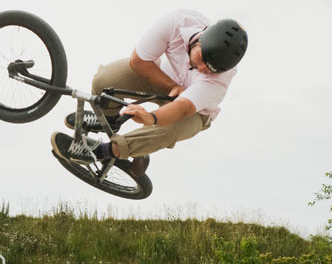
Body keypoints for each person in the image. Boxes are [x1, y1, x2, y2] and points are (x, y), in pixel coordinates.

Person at [51, 11, 248, 178]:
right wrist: (171, 85)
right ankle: (109, 120)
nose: (202, 68)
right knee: (104, 80)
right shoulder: (178, 22)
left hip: (194, 110)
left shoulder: (218, 83)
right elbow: (138, 61)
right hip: (161, 75)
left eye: (210, 69)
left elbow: (182, 108)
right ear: (201, 38)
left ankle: (100, 152)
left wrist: (150, 118)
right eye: (202, 59)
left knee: (167, 130)